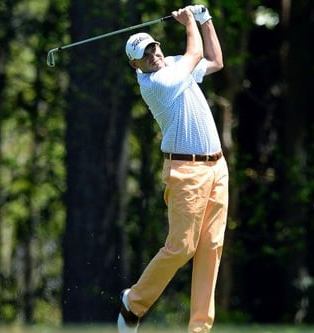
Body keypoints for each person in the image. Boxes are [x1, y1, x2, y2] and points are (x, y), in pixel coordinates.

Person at [118, 5, 227, 333]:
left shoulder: (175, 64)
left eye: (154, 47)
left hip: (217, 167)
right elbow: (194, 52)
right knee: (181, 247)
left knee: (211, 248)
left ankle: (199, 328)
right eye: (145, 54)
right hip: (186, 173)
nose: (153, 54)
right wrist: (190, 21)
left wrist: (205, 19)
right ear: (135, 65)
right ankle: (133, 302)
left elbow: (215, 60)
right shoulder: (156, 83)